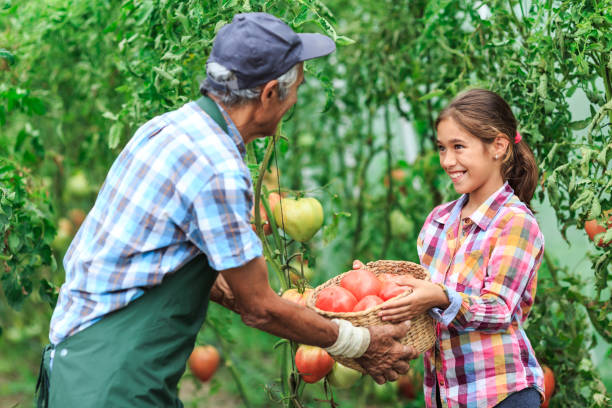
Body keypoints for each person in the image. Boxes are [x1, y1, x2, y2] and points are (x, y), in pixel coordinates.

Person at [36, 12, 417, 408]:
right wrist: (356, 342)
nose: (297, 101)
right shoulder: (216, 167)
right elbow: (259, 308)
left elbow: (167, 265)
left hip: (82, 366)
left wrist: (294, 312)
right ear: (270, 93)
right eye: (296, 88)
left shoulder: (167, 128)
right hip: (114, 382)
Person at [377, 89, 545, 407]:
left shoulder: (515, 223)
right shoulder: (438, 221)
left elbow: (499, 309)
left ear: (498, 146)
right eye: (442, 148)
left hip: (500, 394)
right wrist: (383, 295)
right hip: (445, 393)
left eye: (458, 147)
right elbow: (428, 311)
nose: (447, 161)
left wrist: (441, 297)